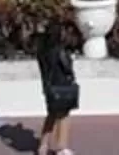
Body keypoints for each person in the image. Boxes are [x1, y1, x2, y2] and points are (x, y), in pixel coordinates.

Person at [36, 22, 81, 152]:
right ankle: (62, 147)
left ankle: (43, 145)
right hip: (61, 85)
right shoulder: (59, 50)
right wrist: (71, 59)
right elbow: (66, 68)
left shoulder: (42, 51)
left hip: (49, 86)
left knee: (51, 115)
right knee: (64, 116)